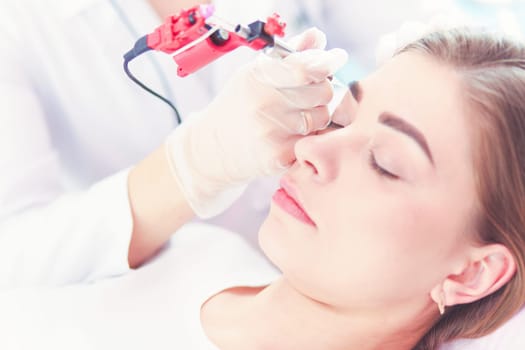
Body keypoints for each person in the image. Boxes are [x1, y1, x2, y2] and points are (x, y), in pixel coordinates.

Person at [2, 27, 525, 350]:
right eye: (342, 117)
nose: (309, 149)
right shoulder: (195, 251)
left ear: (473, 271)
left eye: (385, 163)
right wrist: (192, 162)